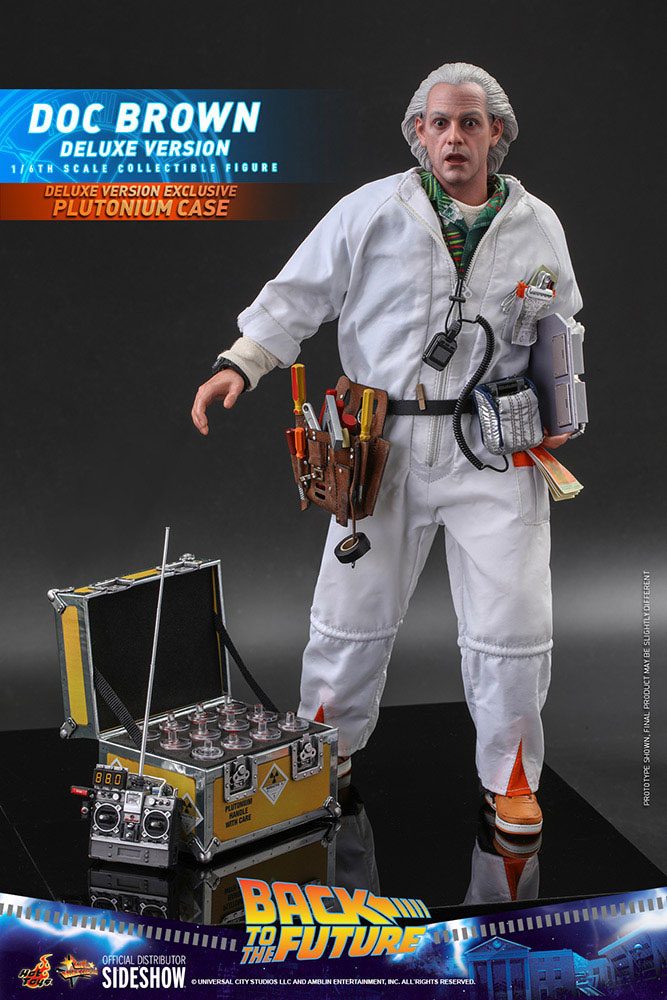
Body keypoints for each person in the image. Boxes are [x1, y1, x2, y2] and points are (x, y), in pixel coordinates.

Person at [191, 62, 583, 837]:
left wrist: (562, 404)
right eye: (438, 123)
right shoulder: (370, 210)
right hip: (379, 444)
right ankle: (323, 754)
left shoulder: (536, 225)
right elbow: (297, 295)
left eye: (468, 122)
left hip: (492, 444)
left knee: (513, 622)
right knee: (349, 612)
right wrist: (242, 362)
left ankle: (510, 776)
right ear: (417, 134)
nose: (452, 136)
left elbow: (561, 322)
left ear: (495, 133)